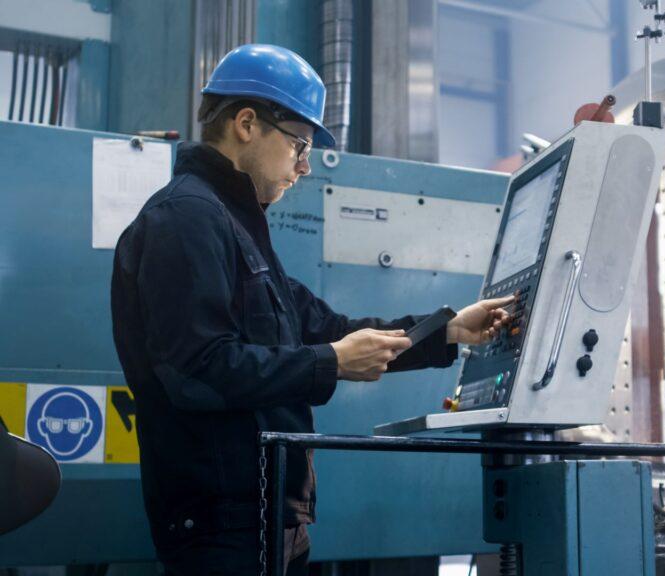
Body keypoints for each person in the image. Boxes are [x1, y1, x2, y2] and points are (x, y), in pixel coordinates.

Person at [110, 44, 511, 575]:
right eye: (298, 143)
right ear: (247, 124)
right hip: (222, 524)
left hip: (267, 516)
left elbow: (329, 329)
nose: (303, 167)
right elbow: (198, 371)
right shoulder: (185, 219)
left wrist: (450, 330)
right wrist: (330, 362)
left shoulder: (239, 230)